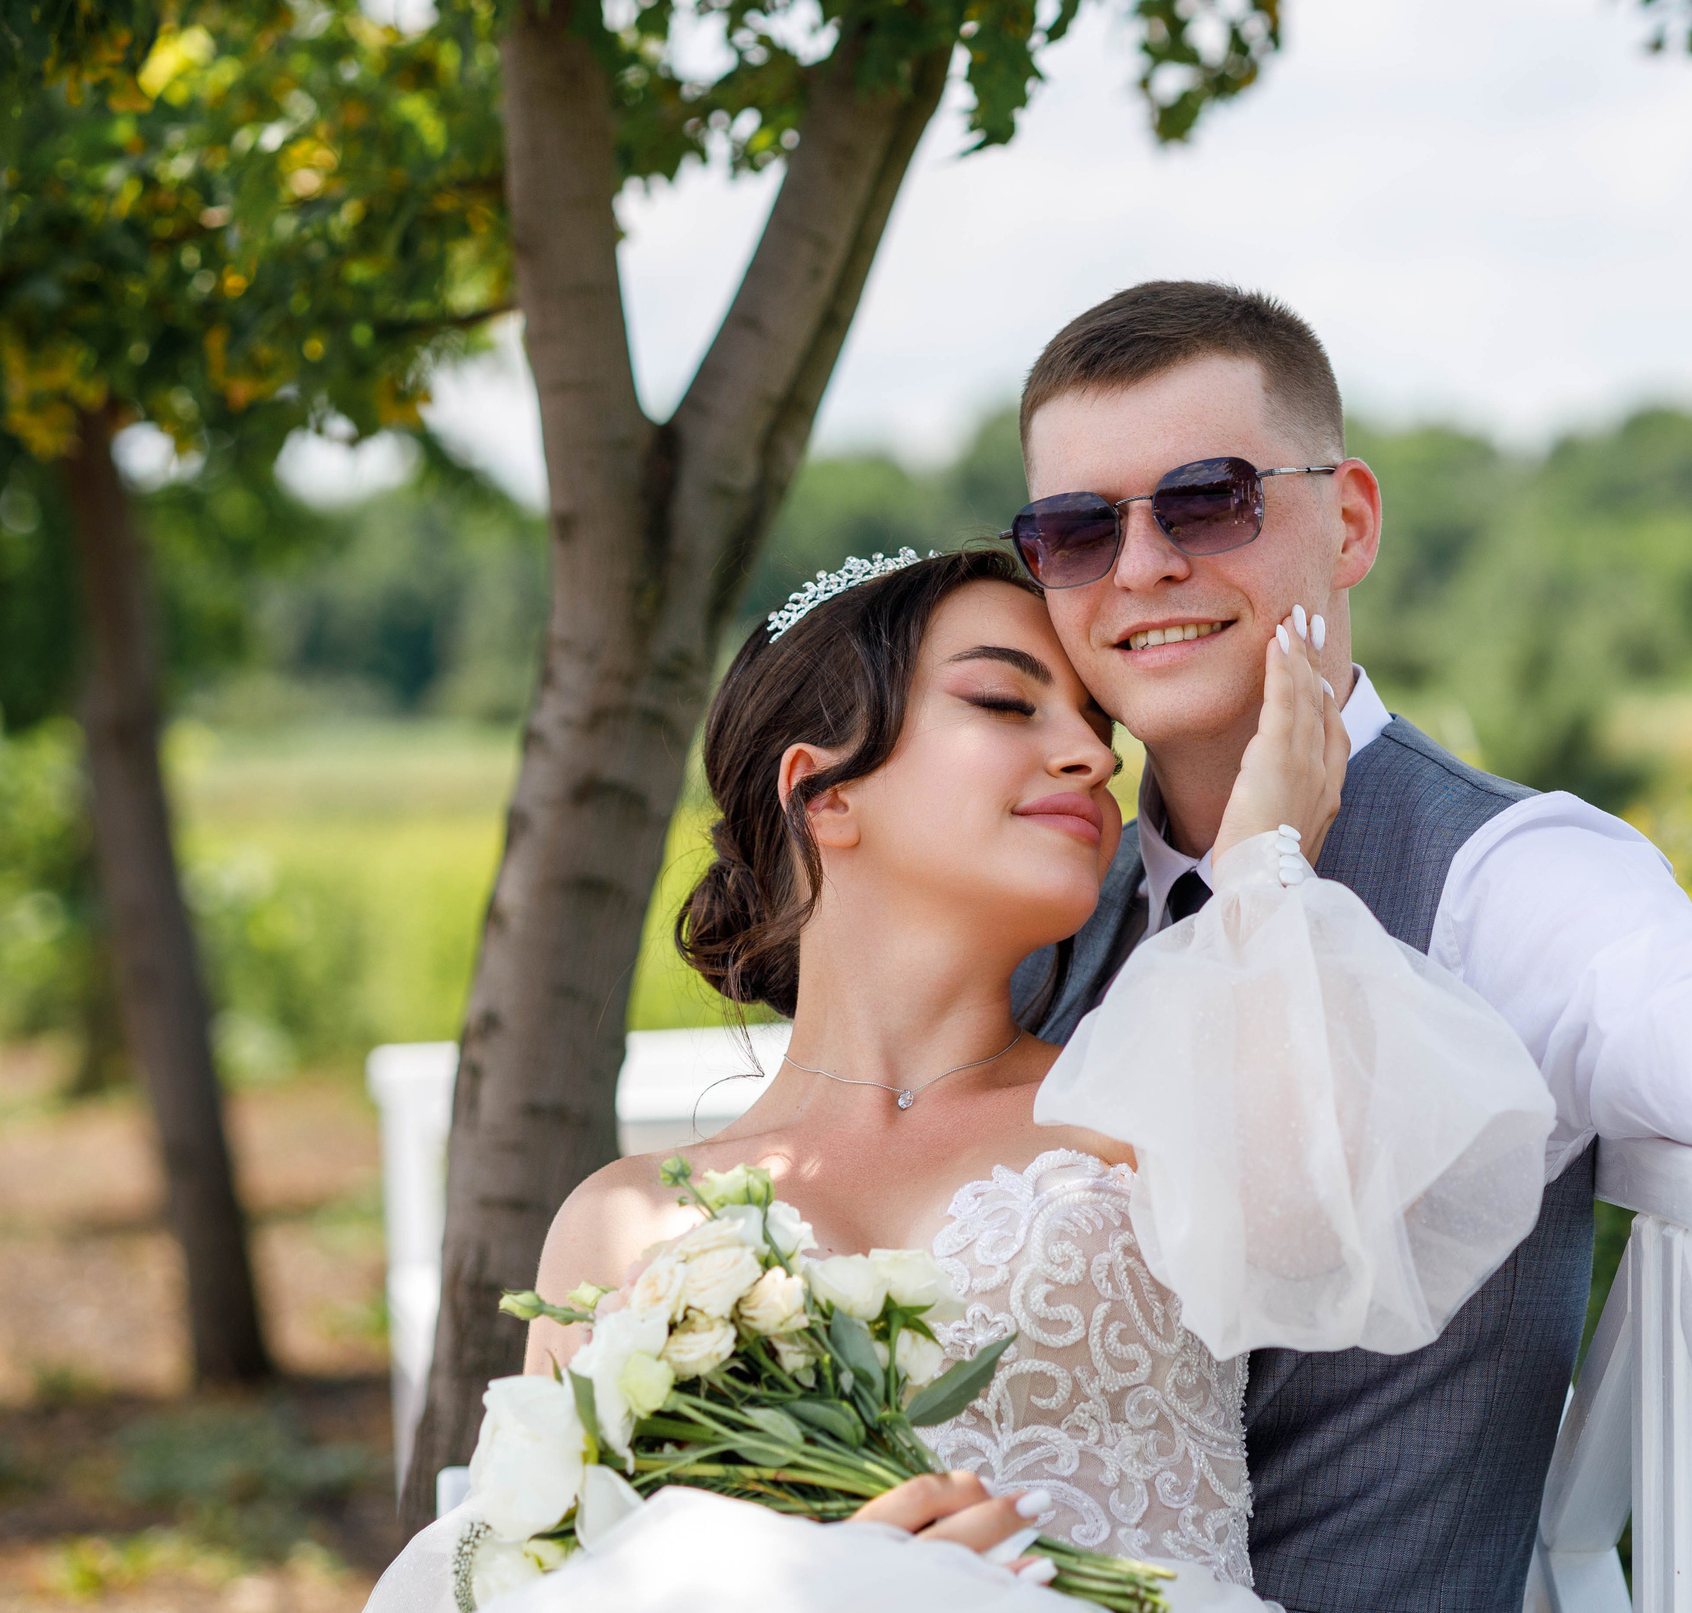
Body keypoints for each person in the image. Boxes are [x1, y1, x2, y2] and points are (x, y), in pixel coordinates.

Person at [1001, 280, 1692, 1613]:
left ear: (1352, 519)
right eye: (1078, 529)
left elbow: (1674, 988)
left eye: (1208, 498)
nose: (1141, 563)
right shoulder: (1063, 906)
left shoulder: (1494, 872)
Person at [363, 546, 1562, 1613]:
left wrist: (1260, 867)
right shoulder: (617, 1223)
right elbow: (539, 1567)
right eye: (1003, 699)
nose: (1092, 755)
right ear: (823, 794)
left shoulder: (1138, 1111)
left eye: (1101, 723)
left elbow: (1350, 1234)